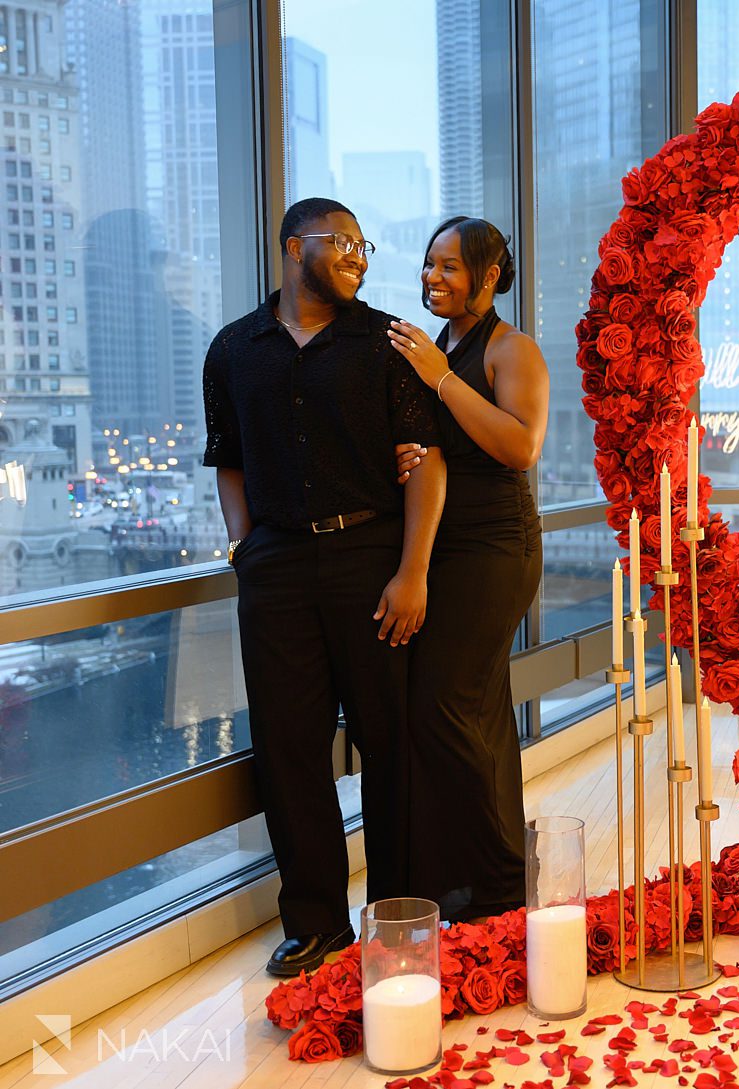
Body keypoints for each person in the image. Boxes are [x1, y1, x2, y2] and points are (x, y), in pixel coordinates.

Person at [203, 197, 447, 975]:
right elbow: (228, 458)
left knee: (391, 742)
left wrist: (413, 570)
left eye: (363, 246)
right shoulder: (232, 349)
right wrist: (244, 547)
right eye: (342, 242)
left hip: (370, 557)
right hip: (274, 566)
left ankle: (399, 918)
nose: (357, 257)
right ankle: (316, 923)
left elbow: (425, 460)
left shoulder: (385, 342)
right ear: (292, 246)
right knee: (288, 748)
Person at [386, 216, 547, 922]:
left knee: (446, 703)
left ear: (489, 276)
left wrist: (443, 380)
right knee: (476, 708)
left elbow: (521, 446)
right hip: (446, 545)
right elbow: (434, 446)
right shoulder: (438, 348)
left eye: (449, 266)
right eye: (429, 264)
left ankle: (501, 880)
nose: (433, 277)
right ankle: (483, 881)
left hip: (498, 545)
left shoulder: (511, 349)